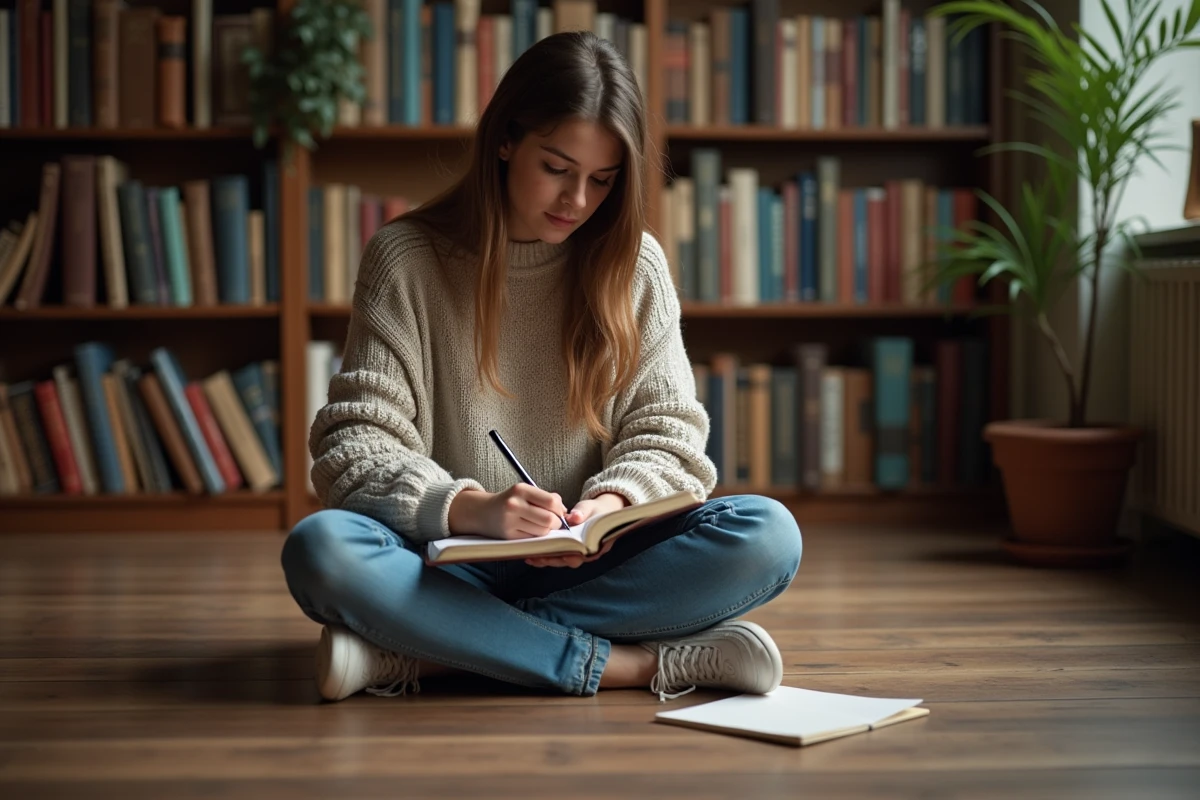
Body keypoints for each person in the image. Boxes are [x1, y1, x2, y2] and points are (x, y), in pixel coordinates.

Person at [281, 30, 803, 703]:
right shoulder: (406, 260)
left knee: (766, 535)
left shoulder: (633, 267)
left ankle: (430, 653)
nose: (578, 201)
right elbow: (354, 442)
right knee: (321, 550)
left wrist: (608, 507)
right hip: (446, 563)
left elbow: (670, 432)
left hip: (598, 568)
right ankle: (637, 666)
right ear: (505, 139)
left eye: (602, 180)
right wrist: (469, 509)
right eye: (557, 168)